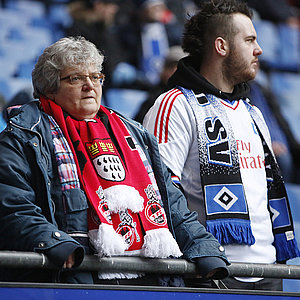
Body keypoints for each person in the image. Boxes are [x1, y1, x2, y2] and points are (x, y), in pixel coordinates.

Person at [0, 36, 229, 285]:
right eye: (76, 78)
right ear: (50, 88)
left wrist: (203, 247)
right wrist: (53, 241)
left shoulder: (133, 133)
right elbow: (13, 206)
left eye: (96, 77)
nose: (90, 86)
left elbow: (172, 205)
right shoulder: (23, 136)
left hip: (151, 277)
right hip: (79, 274)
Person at [143, 0, 300, 290]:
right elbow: (159, 189)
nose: (259, 49)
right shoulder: (174, 105)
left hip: (269, 273)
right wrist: (203, 256)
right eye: (250, 40)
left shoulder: (252, 110)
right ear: (221, 46)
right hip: (211, 274)